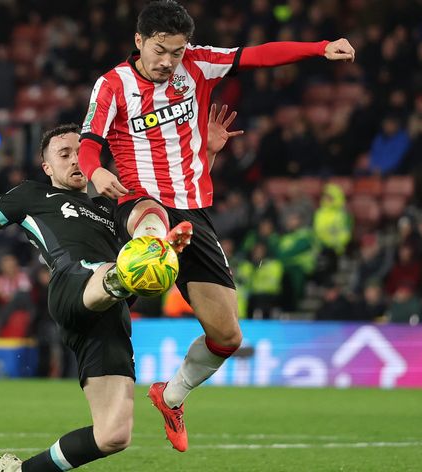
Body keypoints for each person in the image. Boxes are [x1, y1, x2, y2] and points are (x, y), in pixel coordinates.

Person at [0, 116, 235, 472]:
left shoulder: (111, 203)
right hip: (73, 287)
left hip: (108, 316)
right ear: (46, 167)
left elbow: (177, 198)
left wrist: (209, 157)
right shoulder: (31, 195)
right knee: (116, 268)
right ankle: (128, 274)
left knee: (113, 436)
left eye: (81, 151)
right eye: (64, 154)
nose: (76, 159)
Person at [77, 0, 355, 452]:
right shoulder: (112, 86)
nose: (169, 61)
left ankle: (170, 396)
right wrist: (95, 173)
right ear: (139, 42)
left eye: (177, 51)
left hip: (193, 210)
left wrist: (320, 48)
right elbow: (90, 142)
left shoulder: (197, 63)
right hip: (135, 198)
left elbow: (258, 54)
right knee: (153, 216)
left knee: (227, 336)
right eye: (161, 50)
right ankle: (153, 249)